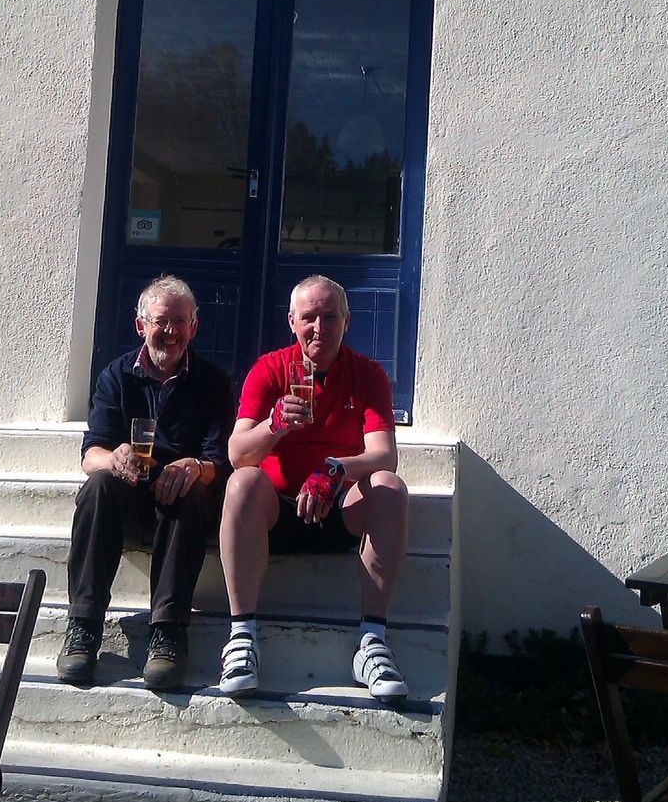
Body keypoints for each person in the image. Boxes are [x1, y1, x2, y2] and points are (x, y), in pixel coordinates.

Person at [218, 274, 410, 701]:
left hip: (338, 507)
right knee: (242, 482)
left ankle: (373, 641)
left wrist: (337, 468)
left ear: (347, 321)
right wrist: (274, 425)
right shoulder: (270, 368)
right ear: (292, 321)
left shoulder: (368, 374)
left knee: (389, 486)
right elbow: (237, 453)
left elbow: (384, 454)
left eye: (330, 317)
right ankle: (242, 637)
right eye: (309, 317)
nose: (319, 328)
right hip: (279, 511)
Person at [57, 275, 234, 690]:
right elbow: (90, 454)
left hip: (182, 507)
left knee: (191, 493)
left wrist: (195, 467)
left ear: (194, 327)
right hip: (130, 498)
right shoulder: (116, 376)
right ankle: (83, 624)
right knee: (97, 487)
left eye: (179, 321)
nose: (170, 331)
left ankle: (168, 632)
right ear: (141, 326)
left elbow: (221, 462)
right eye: (160, 321)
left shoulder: (213, 381)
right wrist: (113, 458)